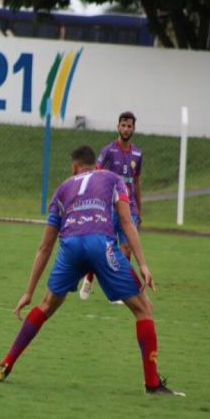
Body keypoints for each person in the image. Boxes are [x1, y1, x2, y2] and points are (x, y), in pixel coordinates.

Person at [0, 145, 184, 396]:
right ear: (96, 166)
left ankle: (5, 365)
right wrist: (143, 263)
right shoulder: (113, 179)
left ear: (74, 167)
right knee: (143, 308)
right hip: (100, 245)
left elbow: (45, 246)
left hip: (70, 247)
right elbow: (126, 220)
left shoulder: (62, 188)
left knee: (46, 304)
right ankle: (152, 384)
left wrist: (28, 292)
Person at [79, 111, 143, 302]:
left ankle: (120, 290)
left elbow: (137, 182)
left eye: (129, 125)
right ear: (118, 127)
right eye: (123, 125)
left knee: (126, 249)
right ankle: (89, 278)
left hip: (128, 208)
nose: (126, 128)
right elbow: (96, 175)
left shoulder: (138, 154)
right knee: (103, 247)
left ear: (133, 128)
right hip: (108, 207)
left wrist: (138, 208)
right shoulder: (108, 151)